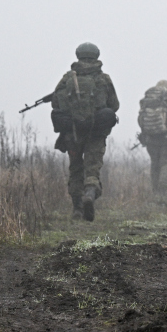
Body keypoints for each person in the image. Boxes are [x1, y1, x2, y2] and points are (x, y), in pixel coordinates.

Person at [50, 42, 119, 222]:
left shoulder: (67, 78)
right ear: (96, 55)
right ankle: (89, 194)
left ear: (78, 55)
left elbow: (56, 104)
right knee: (92, 168)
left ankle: (77, 210)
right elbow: (114, 105)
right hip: (96, 133)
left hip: (72, 134)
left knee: (75, 169)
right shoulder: (103, 79)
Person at [137, 80, 167, 195]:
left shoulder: (146, 103)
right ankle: (162, 191)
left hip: (151, 139)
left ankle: (155, 192)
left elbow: (141, 120)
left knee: (155, 164)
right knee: (166, 163)